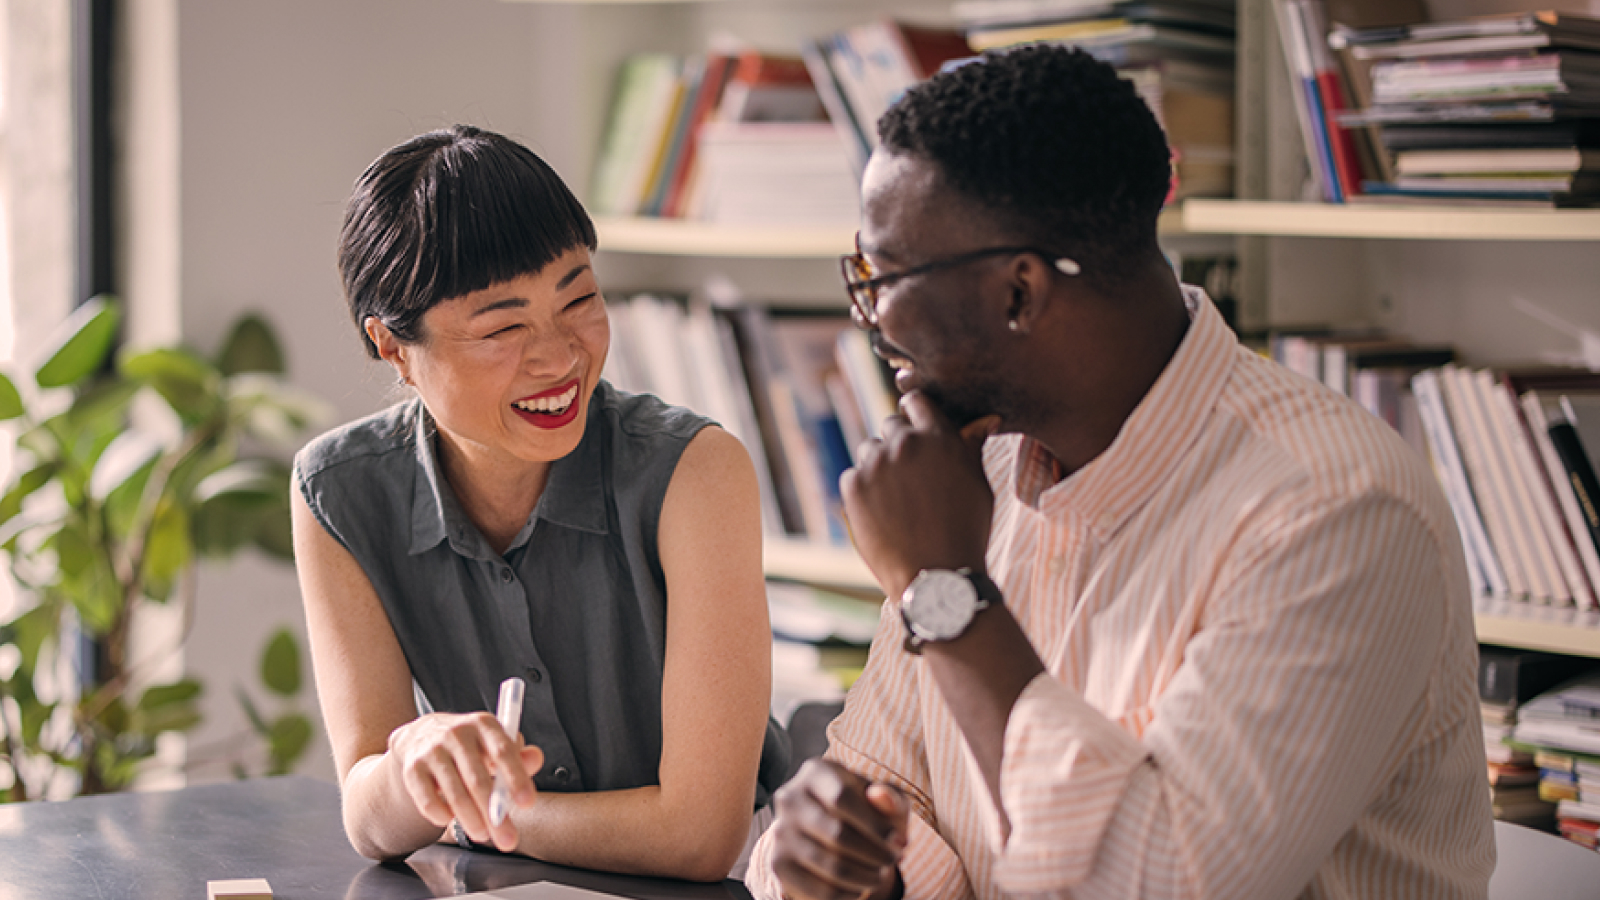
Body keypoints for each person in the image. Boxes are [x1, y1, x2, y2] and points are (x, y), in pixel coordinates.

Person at [748, 45, 1494, 899]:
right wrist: (847, 862)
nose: (871, 317)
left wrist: (948, 592)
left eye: (884, 277)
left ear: (1020, 294)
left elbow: (1160, 881)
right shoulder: (968, 470)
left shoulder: (1334, 510)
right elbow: (898, 792)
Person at [291, 125, 788, 881]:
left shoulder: (695, 470)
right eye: (503, 327)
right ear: (393, 348)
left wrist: (471, 815)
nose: (559, 357)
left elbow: (700, 836)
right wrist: (410, 763)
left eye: (579, 299)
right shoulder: (338, 490)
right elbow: (368, 815)